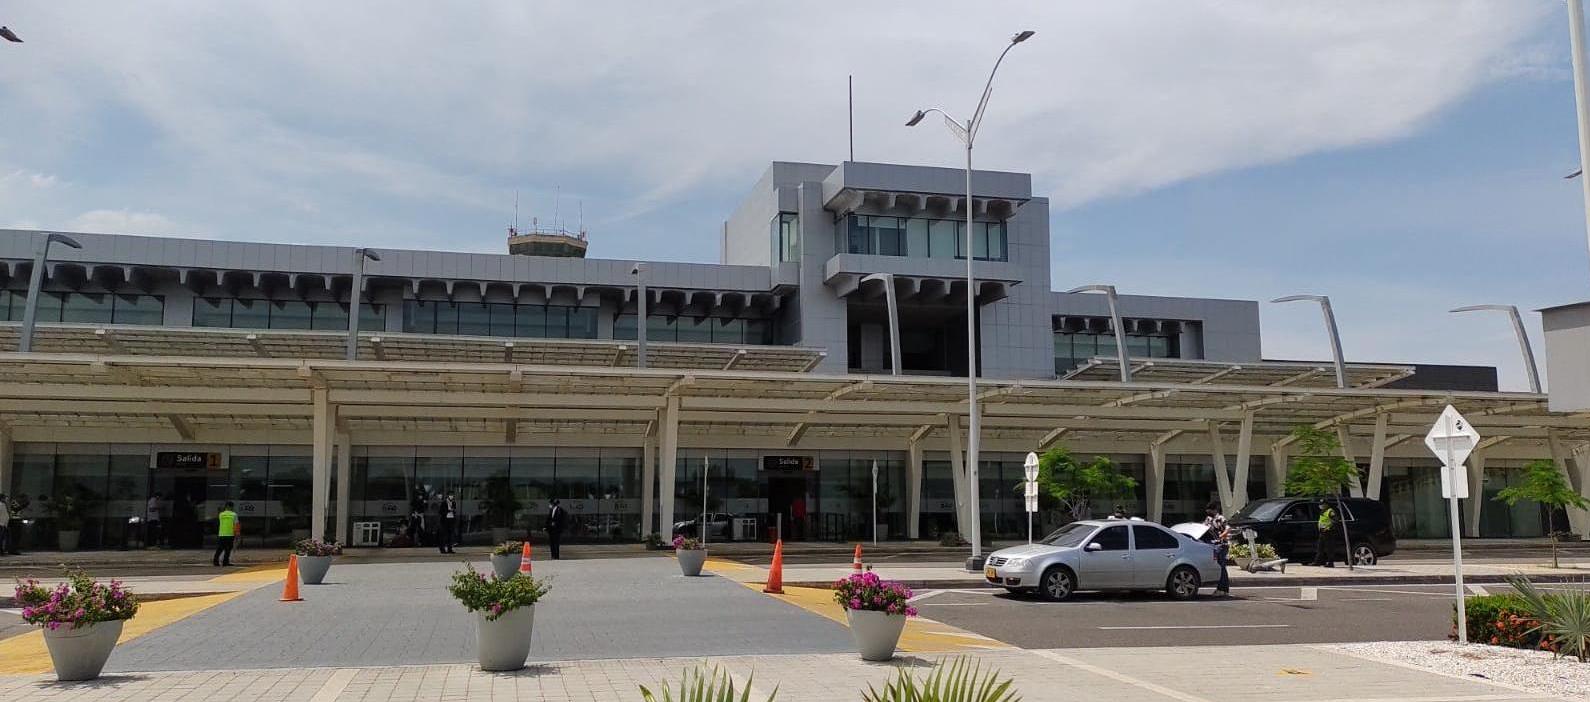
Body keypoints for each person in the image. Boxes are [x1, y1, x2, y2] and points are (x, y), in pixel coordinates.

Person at [1203, 506, 1231, 596]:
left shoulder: (1220, 518)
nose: (1208, 512)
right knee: (1221, 567)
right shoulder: (1209, 519)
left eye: (1210, 510)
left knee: (1221, 566)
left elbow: (1228, 528)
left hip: (1222, 545)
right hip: (1213, 545)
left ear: (1215, 510)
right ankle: (1224, 589)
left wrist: (1220, 536)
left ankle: (1221, 589)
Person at [1310, 502, 1337, 568]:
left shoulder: (1330, 511)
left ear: (1326, 504)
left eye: (1322, 504)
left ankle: (1330, 563)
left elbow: (1335, 520)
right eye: (1320, 504)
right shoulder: (1323, 511)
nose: (1321, 505)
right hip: (1322, 532)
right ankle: (1317, 562)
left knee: (1329, 548)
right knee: (1320, 548)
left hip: (1328, 532)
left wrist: (1328, 528)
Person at [213, 501, 239, 567]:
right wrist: (237, 534)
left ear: (226, 506)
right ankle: (225, 562)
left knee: (219, 548)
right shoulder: (234, 515)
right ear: (231, 507)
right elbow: (236, 525)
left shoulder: (221, 514)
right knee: (228, 549)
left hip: (221, 534)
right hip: (230, 534)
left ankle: (215, 562)